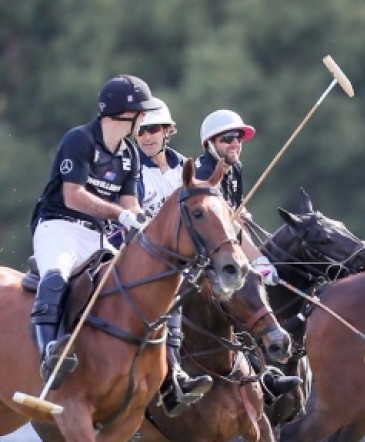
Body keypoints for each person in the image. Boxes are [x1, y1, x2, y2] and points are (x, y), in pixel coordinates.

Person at [30, 75, 160, 389]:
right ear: (124, 114)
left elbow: (131, 203)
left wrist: (147, 221)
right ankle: (50, 353)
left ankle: (170, 377)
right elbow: (72, 195)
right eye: (142, 113)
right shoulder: (80, 140)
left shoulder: (129, 155)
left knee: (145, 284)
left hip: (97, 236)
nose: (145, 118)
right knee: (57, 275)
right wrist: (121, 215)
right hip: (58, 226)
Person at [193, 109, 302, 399]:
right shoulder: (203, 175)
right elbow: (219, 230)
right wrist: (253, 261)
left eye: (238, 139)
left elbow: (237, 222)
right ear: (209, 143)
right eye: (227, 139)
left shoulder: (235, 169)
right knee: (244, 295)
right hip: (200, 258)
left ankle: (265, 372)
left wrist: (260, 260)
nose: (235, 144)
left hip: (224, 256)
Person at [133, 98, 214, 417]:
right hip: (145, 255)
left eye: (154, 129)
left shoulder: (186, 169)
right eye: (141, 132)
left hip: (190, 256)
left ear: (168, 131)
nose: (148, 136)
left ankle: (262, 375)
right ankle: (173, 378)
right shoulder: (132, 170)